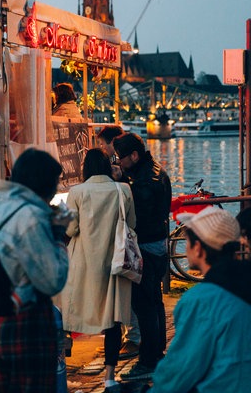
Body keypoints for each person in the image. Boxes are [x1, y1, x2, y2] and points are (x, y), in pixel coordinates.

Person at [0, 148, 70, 392]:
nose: (55, 190)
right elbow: (53, 281)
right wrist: (58, 234)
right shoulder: (32, 216)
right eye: (55, 184)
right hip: (29, 324)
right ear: (44, 184)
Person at [146, 206, 251, 393]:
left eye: (187, 241)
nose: (185, 247)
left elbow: (180, 369)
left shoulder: (200, 300)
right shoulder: (243, 280)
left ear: (199, 249)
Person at [57, 148, 136, 393]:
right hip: (115, 265)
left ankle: (63, 371)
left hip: (84, 264)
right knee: (112, 320)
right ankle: (110, 378)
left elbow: (69, 229)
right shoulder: (123, 189)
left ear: (86, 169)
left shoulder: (77, 192)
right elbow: (131, 225)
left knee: (69, 314)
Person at [112, 133, 171, 381]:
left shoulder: (144, 183)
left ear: (134, 156)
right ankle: (157, 353)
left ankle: (148, 360)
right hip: (158, 245)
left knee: (145, 306)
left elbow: (138, 219)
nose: (119, 162)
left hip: (145, 248)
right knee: (155, 302)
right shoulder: (154, 171)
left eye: (120, 158)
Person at [96, 125, 141, 360]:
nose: (102, 148)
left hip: (123, 245)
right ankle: (128, 338)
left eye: (103, 144)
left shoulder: (125, 176)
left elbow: (132, 218)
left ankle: (133, 339)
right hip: (124, 244)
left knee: (129, 293)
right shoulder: (125, 174)